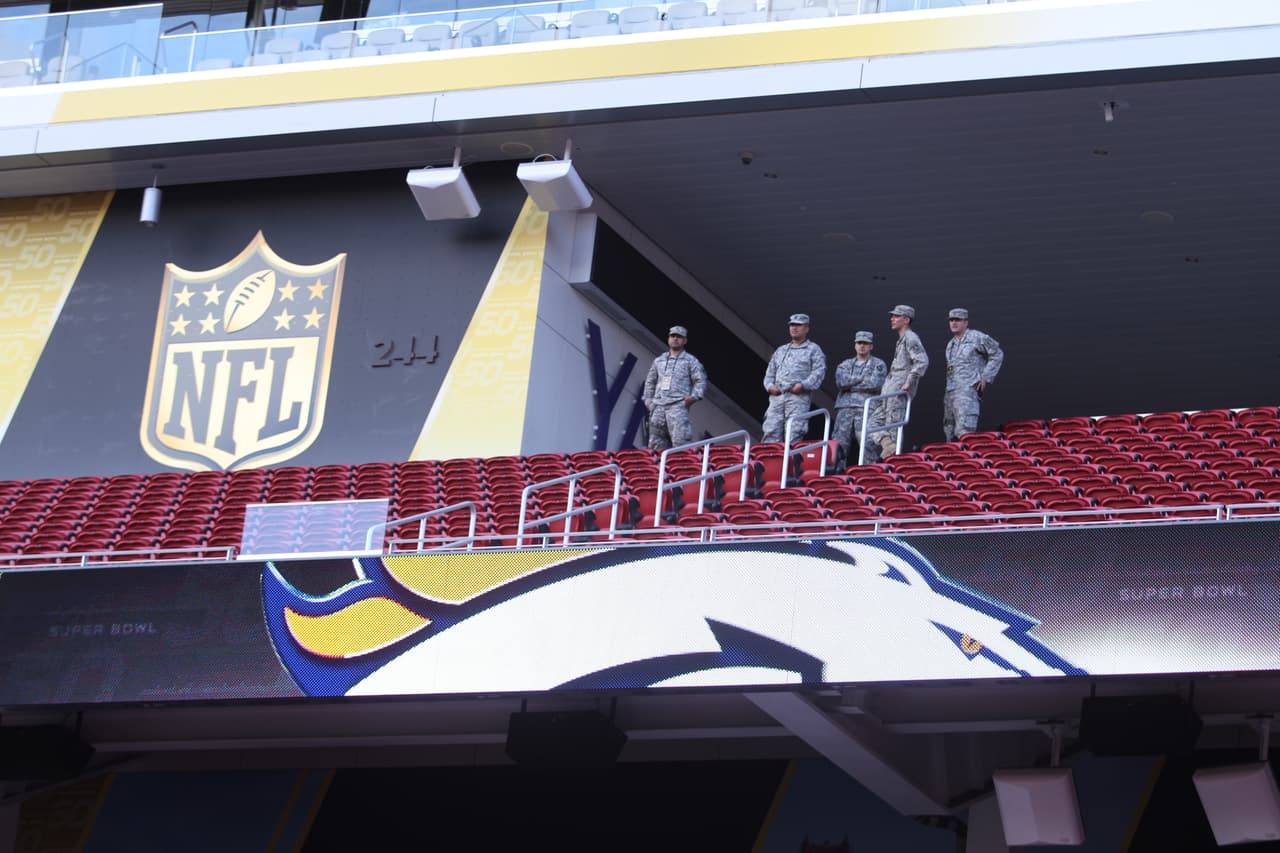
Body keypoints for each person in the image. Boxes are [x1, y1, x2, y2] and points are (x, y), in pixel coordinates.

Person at [872, 304, 929, 460]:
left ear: (906, 320)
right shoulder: (902, 339)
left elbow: (922, 361)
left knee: (893, 426)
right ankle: (888, 446)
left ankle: (893, 460)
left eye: (896, 316)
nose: (892, 319)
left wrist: (909, 382)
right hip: (890, 389)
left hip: (898, 390)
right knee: (873, 421)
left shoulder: (911, 338)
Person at [762, 313, 827, 442]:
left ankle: (790, 462)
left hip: (798, 399)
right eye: (792, 325)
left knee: (794, 434)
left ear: (806, 329)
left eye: (798, 325)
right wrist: (770, 387)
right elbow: (769, 374)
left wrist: (803, 385)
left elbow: (819, 372)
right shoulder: (781, 350)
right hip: (777, 399)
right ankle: (770, 461)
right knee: (770, 432)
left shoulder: (813, 349)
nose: (794, 328)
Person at [642, 325, 707, 450]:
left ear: (685, 341)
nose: (675, 339)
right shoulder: (659, 361)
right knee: (656, 445)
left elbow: (700, 380)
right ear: (668, 339)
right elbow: (650, 382)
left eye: (679, 337)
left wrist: (693, 397)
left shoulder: (690, 361)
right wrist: (648, 401)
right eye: (673, 336)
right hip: (658, 407)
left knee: (681, 444)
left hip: (677, 406)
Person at [943, 308, 1004, 441]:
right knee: (949, 431)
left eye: (958, 320)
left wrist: (986, 377)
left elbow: (997, 353)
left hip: (967, 393)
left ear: (966, 322)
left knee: (965, 432)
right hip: (951, 393)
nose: (954, 323)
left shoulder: (976, 337)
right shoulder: (950, 344)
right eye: (951, 320)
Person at [833, 331, 888, 467]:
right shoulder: (846, 363)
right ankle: (837, 475)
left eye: (865, 343)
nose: (862, 346)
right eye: (859, 343)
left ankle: (869, 475)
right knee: (839, 444)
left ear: (871, 346)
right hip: (845, 409)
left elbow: (875, 384)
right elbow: (840, 382)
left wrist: (850, 383)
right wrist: (861, 379)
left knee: (867, 443)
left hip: (866, 408)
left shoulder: (878, 364)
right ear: (855, 345)